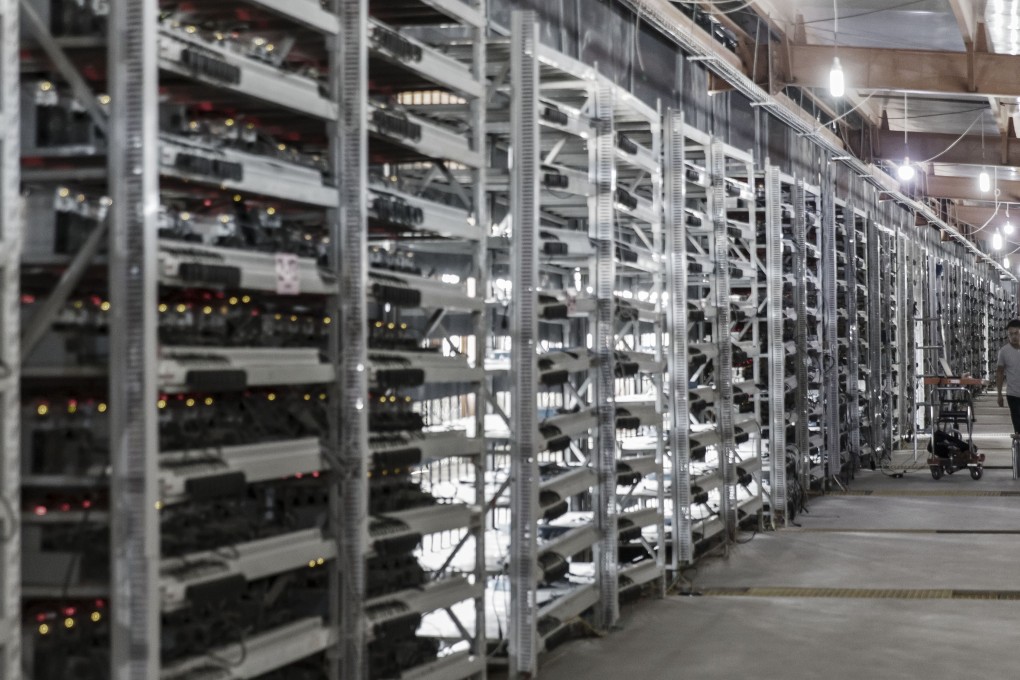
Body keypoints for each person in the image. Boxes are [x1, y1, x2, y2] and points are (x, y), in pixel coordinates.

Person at [996, 319, 1020, 435]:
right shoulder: (1004, 352)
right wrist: (999, 394)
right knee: (1018, 428)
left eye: (1016, 333)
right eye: (1011, 334)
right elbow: (1000, 373)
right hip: (1013, 394)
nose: (1013, 337)